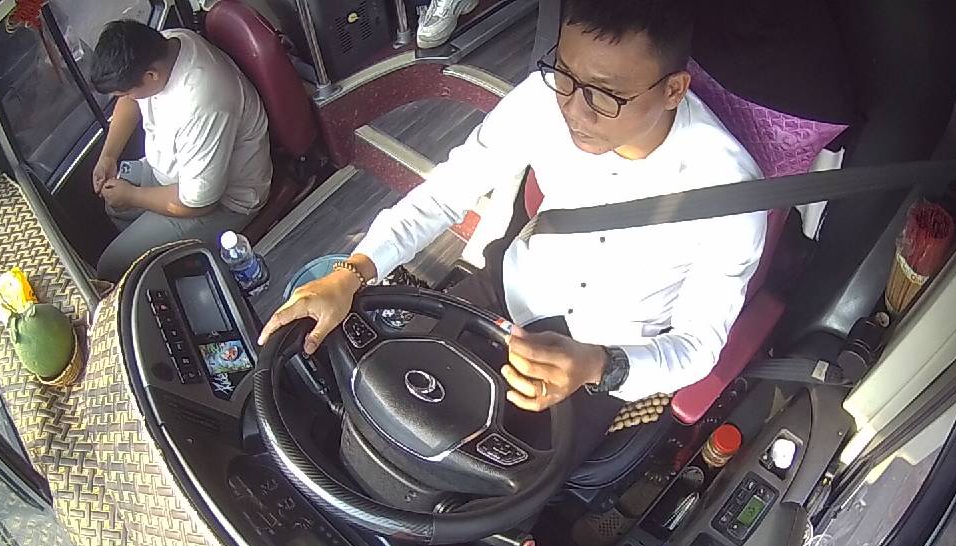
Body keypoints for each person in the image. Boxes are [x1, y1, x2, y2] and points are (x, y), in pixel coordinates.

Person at [259, 0, 766, 473]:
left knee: (485, 490)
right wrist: (352, 271)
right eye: (565, 75)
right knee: (371, 398)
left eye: (606, 95)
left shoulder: (729, 193)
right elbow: (445, 193)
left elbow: (698, 345)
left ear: (674, 90)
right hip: (507, 291)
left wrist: (600, 366)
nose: (575, 110)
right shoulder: (543, 100)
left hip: (603, 357)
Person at [89, 20, 271, 281]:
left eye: (128, 91)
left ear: (151, 76)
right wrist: (108, 156)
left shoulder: (203, 104)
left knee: (111, 267)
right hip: (176, 172)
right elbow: (129, 101)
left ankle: (165, 272)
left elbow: (198, 202)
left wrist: (132, 195)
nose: (126, 97)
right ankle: (154, 260)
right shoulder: (166, 44)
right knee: (114, 205)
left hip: (223, 201)